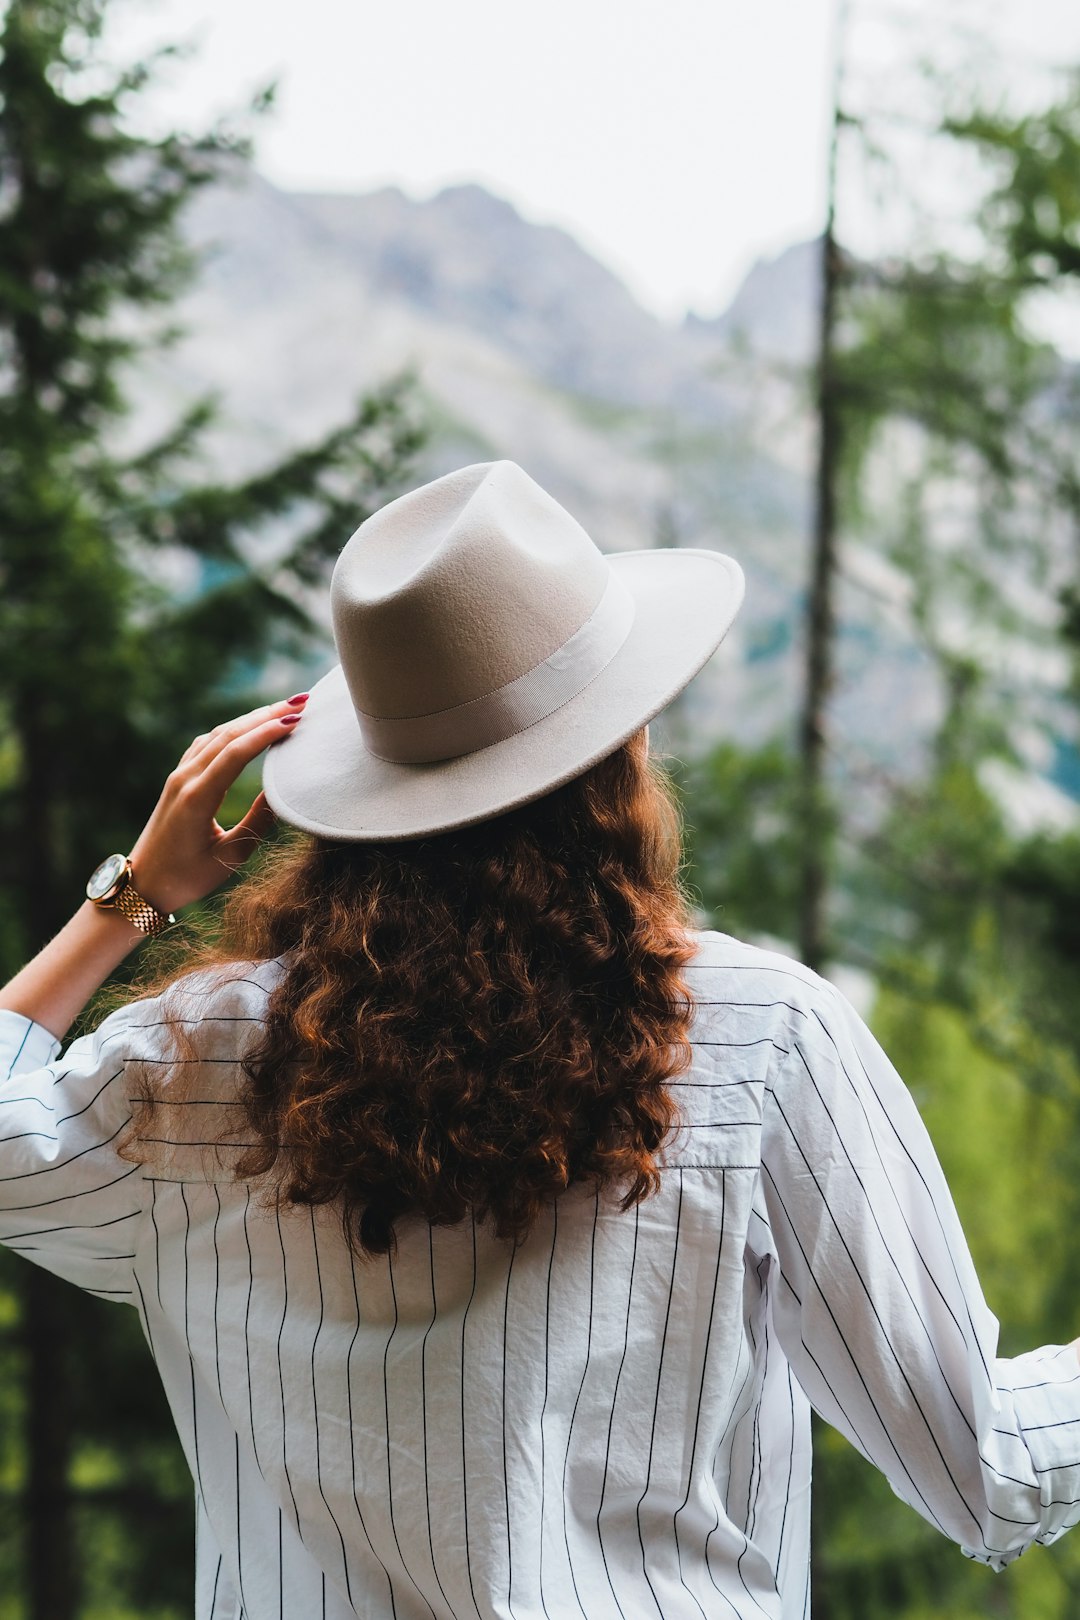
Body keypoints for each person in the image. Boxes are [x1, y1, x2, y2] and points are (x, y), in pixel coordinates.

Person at [1, 459, 1079, 1620]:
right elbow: (990, 1475)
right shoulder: (763, 1039)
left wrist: (133, 898)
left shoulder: (198, 1062)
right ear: (624, 747)